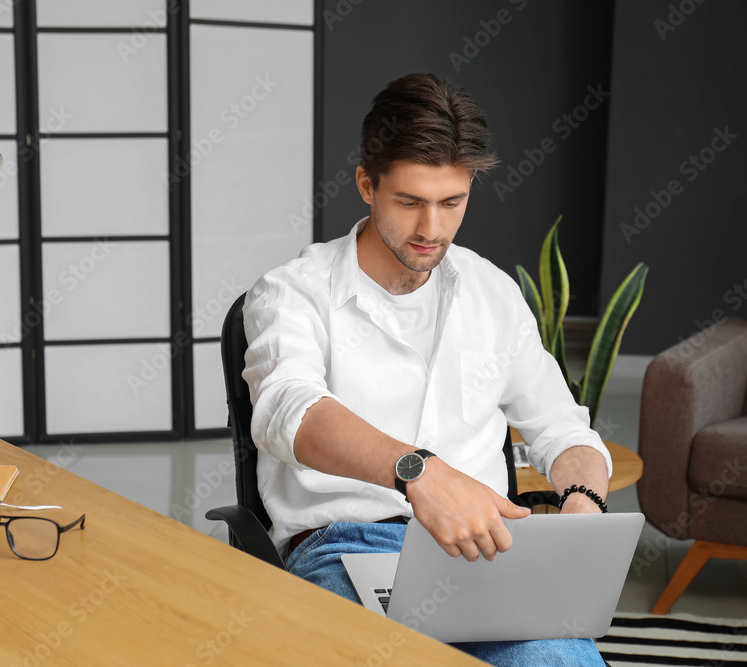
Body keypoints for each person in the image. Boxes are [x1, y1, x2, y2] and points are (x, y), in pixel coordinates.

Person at [241, 73, 613, 666]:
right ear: (367, 183)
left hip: (486, 554)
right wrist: (419, 473)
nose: (431, 229)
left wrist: (582, 501)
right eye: (410, 202)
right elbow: (292, 410)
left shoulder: (492, 292)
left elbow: (564, 431)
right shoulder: (293, 293)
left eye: (451, 203)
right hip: (346, 547)